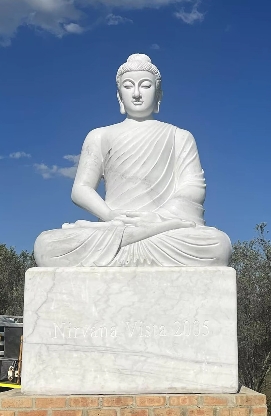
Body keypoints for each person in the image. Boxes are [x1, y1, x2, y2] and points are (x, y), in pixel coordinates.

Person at [34, 54, 232, 267]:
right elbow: (81, 189)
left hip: (162, 229)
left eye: (145, 86)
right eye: (128, 87)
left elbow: (193, 188)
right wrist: (110, 215)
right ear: (119, 96)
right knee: (46, 247)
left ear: (159, 95)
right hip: (112, 229)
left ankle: (131, 242)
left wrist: (157, 219)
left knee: (218, 246)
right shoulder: (99, 135)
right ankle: (128, 240)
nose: (137, 94)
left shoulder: (179, 136)